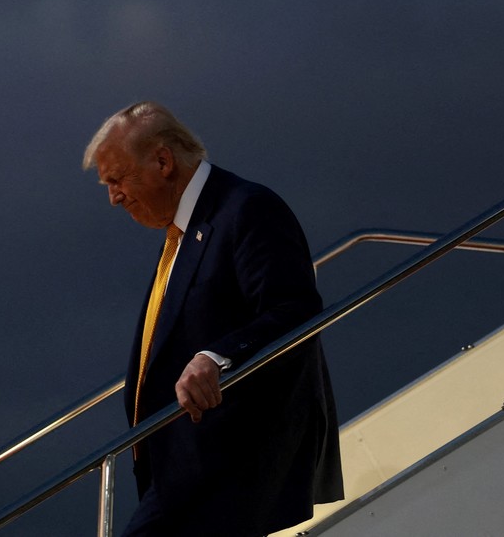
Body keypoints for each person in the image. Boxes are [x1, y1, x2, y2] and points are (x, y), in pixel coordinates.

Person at [82, 102, 343, 537]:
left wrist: (217, 357)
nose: (114, 197)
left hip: (231, 459)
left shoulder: (246, 208)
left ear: (163, 161)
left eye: (116, 179)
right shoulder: (184, 234)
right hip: (186, 470)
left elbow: (295, 310)